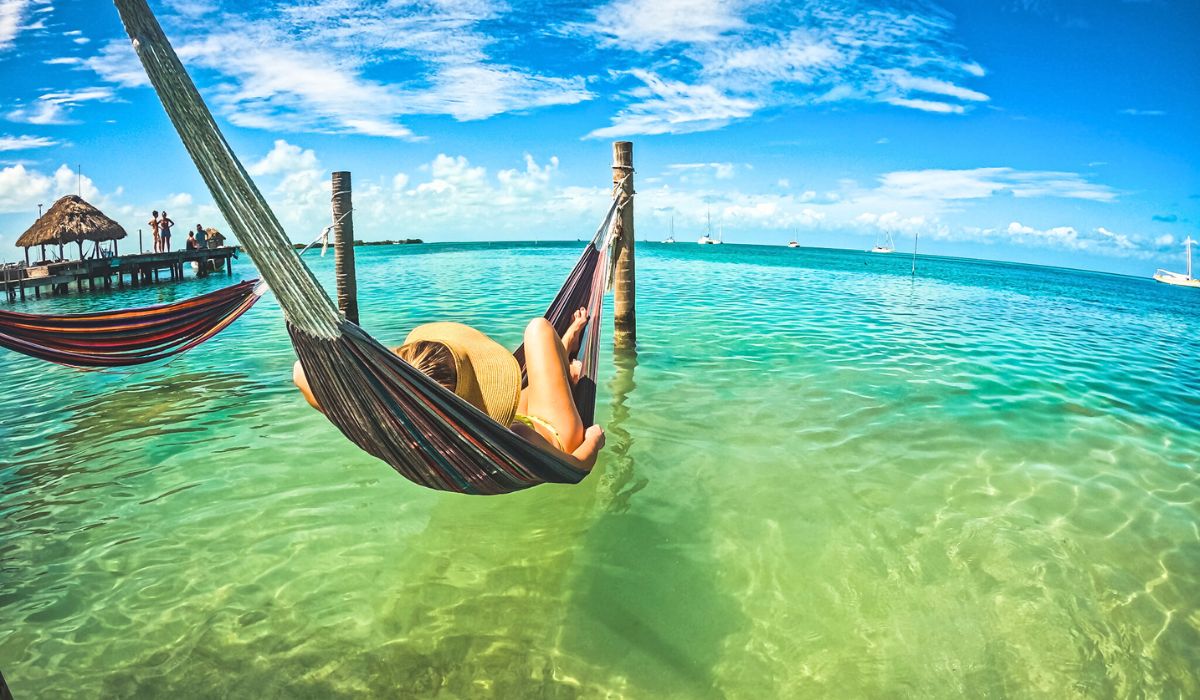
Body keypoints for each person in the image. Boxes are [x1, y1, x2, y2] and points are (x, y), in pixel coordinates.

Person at [293, 309, 605, 470]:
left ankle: (565, 365)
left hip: (502, 423)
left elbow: (301, 373)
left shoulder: (388, 426)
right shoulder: (517, 440)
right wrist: (593, 440)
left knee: (533, 387)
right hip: (554, 434)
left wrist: (381, 377)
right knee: (539, 329)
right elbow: (577, 466)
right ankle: (567, 356)